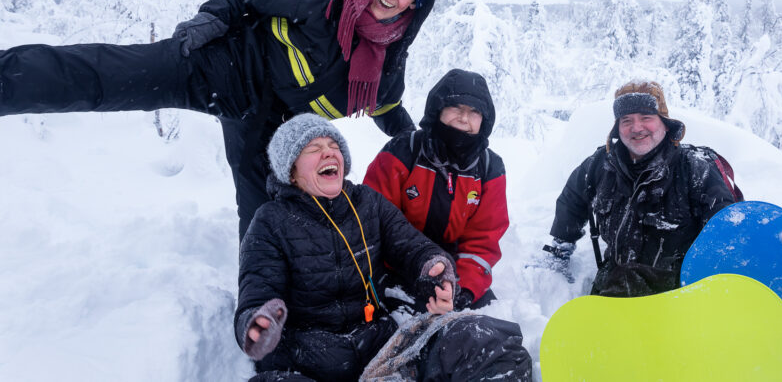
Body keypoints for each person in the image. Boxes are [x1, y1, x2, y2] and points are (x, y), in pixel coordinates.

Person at [0, 0, 442, 237]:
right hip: (222, 65)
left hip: (269, 121)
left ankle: (262, 305)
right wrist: (212, 17)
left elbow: (387, 108)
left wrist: (422, 142)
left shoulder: (388, 64)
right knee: (107, 75)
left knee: (262, 212)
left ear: (414, 6)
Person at [236, 114, 532, 382]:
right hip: (306, 359)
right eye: (313, 149)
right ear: (291, 171)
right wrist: (259, 324)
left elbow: (410, 245)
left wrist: (434, 268)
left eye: (333, 145)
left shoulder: (366, 202)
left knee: (485, 342)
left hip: (378, 346)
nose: (328, 151)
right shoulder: (269, 221)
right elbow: (257, 291)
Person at [541, 80, 738, 297]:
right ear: (617, 127)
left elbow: (725, 233)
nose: (636, 128)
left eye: (646, 118)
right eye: (627, 120)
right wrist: (560, 249)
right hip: (613, 290)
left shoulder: (696, 169)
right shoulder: (600, 164)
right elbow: (572, 200)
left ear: (664, 123)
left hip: (678, 298)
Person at [364, 69, 508, 310]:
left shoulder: (489, 168)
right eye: (456, 108)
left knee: (486, 327)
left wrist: (460, 289)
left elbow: (483, 241)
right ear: (438, 109)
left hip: (455, 274)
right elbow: (373, 220)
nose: (464, 118)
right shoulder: (403, 151)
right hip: (397, 267)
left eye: (475, 112)